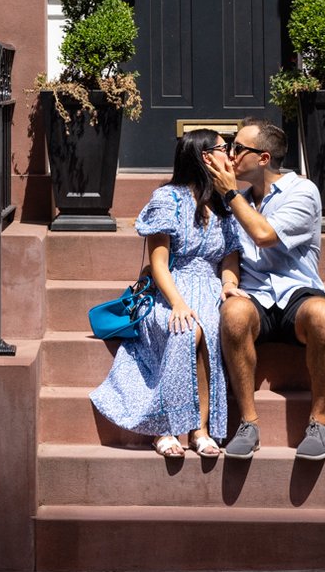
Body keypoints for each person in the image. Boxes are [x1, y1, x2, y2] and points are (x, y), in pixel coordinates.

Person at [89, 127, 240, 458]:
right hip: (171, 289)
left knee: (213, 332)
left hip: (211, 289)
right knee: (187, 330)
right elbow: (159, 264)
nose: (230, 153)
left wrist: (229, 284)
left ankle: (198, 429)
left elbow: (229, 258)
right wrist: (178, 303)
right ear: (204, 156)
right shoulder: (167, 199)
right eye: (223, 147)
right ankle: (164, 427)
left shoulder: (225, 204)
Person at [207, 116, 325, 460]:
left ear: (263, 158)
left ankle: (320, 422)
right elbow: (232, 250)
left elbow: (264, 236)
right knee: (233, 314)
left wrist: (231, 194)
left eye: (238, 148)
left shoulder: (301, 191)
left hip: (298, 293)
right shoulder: (237, 197)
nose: (231, 155)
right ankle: (248, 424)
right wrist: (229, 281)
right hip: (255, 297)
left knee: (323, 315)